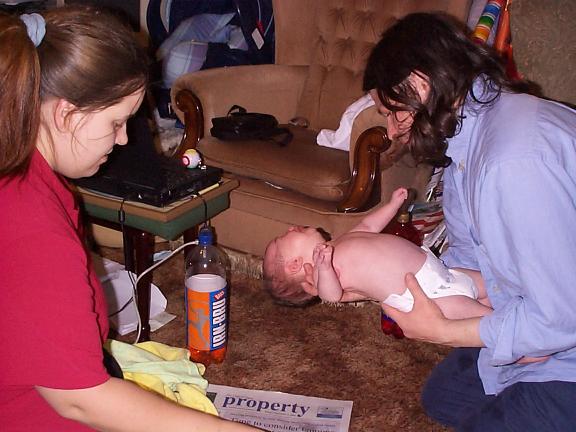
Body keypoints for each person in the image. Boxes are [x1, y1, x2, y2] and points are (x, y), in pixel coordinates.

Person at [0, 7, 260, 431]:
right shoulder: (34, 229)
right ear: (66, 114)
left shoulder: (29, 180)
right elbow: (81, 400)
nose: (123, 139)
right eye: (116, 122)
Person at [363, 12, 576, 432]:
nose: (392, 130)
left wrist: (446, 331)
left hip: (566, 330)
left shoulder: (511, 163)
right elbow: (472, 260)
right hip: (550, 310)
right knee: (443, 396)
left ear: (421, 84)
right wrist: (388, 276)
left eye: (393, 112)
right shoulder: (467, 138)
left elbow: (561, 317)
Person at [263, 187, 491, 320]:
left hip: (445, 274)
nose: (290, 228)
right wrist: (323, 268)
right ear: (294, 265)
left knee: (494, 285)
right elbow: (330, 295)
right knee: (489, 321)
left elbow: (369, 225)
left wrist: (392, 205)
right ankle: (511, 340)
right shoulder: (321, 272)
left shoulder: (338, 243)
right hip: (430, 298)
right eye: (283, 237)